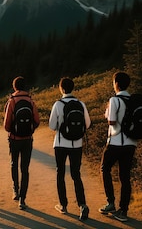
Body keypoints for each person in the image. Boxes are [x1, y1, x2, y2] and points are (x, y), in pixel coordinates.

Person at [48, 77, 91, 221]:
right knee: (76, 174)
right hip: (77, 144)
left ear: (61, 88)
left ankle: (63, 205)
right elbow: (88, 124)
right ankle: (82, 205)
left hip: (60, 144)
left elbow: (52, 126)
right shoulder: (81, 104)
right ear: (73, 88)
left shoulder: (58, 104)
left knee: (60, 173)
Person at [99, 72, 136, 222]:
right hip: (131, 143)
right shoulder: (133, 100)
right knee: (125, 177)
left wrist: (108, 113)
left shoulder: (114, 100)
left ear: (116, 83)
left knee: (104, 168)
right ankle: (123, 211)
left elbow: (112, 121)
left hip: (115, 142)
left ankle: (110, 203)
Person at [3, 76, 40, 210]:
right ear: (25, 86)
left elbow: (6, 124)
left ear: (14, 87)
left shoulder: (12, 101)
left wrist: (13, 131)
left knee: (14, 163)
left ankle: (15, 191)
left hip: (14, 139)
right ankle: (23, 200)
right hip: (27, 140)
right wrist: (29, 131)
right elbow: (37, 120)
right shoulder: (30, 101)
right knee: (25, 169)